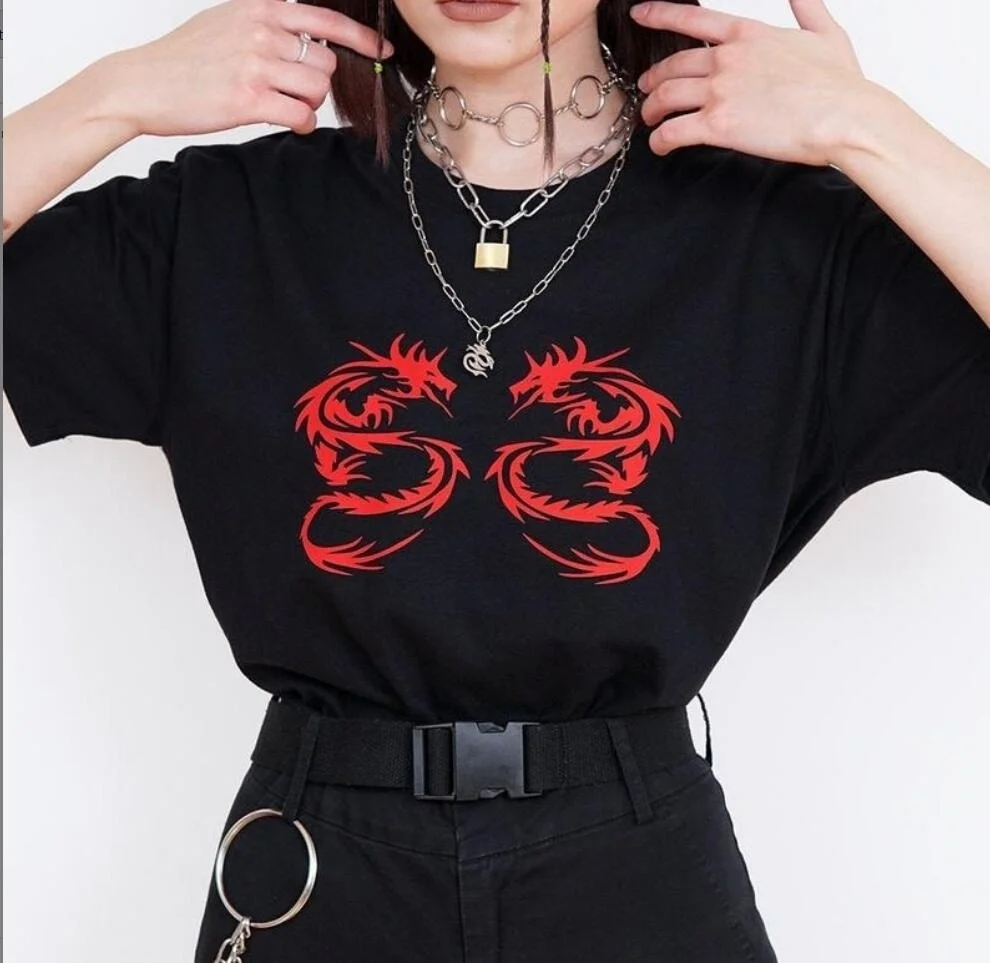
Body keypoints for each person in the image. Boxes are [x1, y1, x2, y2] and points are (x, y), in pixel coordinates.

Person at [4, 0, 989, 960]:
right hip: (321, 871)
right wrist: (111, 94)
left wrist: (871, 129)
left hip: (634, 869)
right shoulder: (232, 219)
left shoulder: (779, 233)